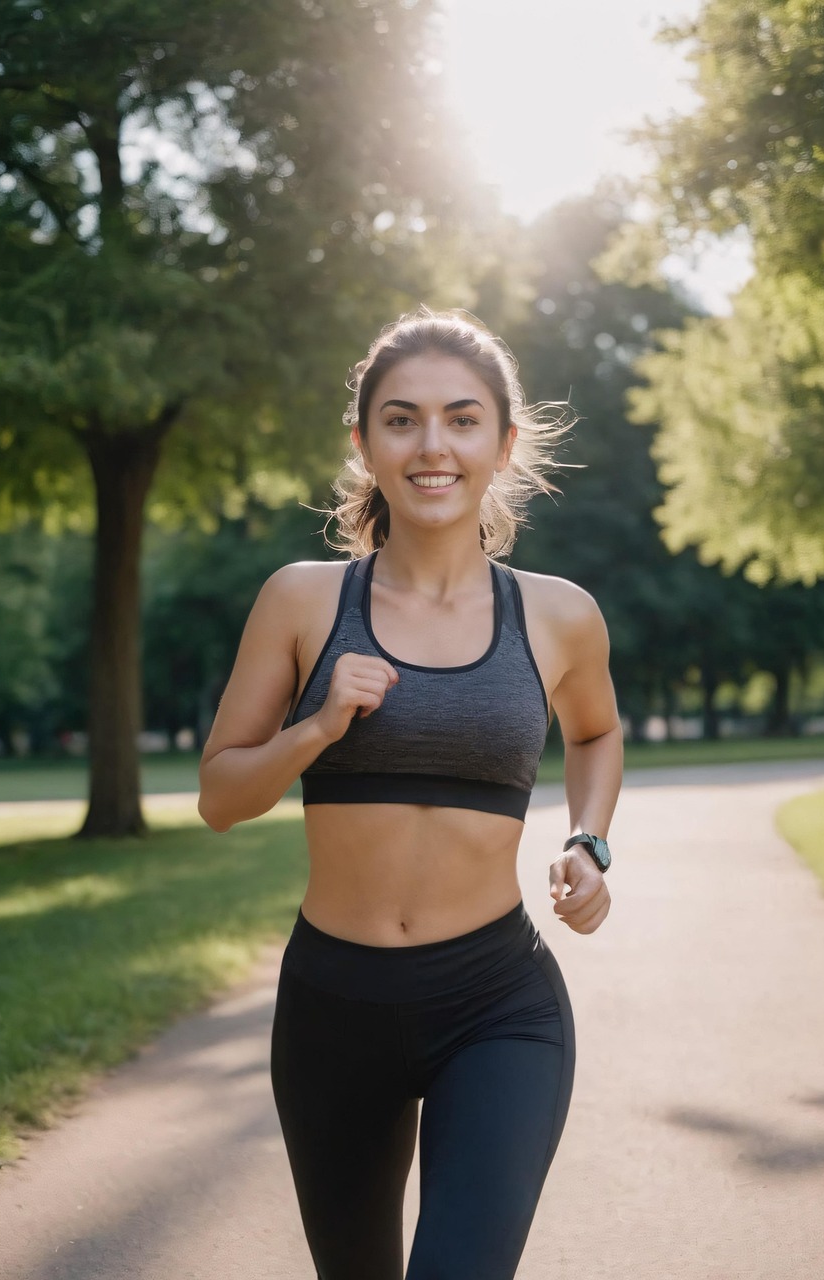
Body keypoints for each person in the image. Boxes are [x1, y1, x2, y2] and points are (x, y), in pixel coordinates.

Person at [198, 310, 622, 1280]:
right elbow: (220, 795)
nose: (433, 444)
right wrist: (313, 728)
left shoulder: (558, 613)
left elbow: (596, 729)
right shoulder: (304, 600)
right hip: (333, 1006)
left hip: (496, 1003)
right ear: (363, 442)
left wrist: (589, 841)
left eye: (462, 419)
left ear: (503, 444)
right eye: (402, 418)